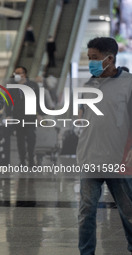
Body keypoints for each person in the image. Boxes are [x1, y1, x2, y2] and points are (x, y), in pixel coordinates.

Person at [77, 37, 132, 255]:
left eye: (95, 58)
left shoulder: (128, 83)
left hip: (119, 160)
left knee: (128, 212)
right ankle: (86, 253)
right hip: (90, 158)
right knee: (86, 211)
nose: (91, 62)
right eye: (89, 58)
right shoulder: (89, 84)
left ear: (110, 58)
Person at [7, 66, 42, 167]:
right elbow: (8, 102)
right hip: (18, 116)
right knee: (20, 139)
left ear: (24, 74)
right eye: (15, 73)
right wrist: (8, 115)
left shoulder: (33, 85)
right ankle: (22, 160)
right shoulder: (12, 86)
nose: (16, 75)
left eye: (19, 73)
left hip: (30, 116)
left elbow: (38, 100)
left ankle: (31, 159)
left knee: (31, 138)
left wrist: (39, 114)